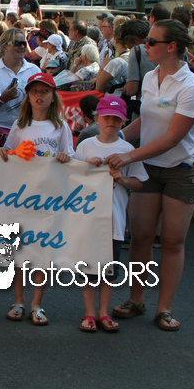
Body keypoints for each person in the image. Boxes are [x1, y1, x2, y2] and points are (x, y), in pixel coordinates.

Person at [105, 20, 194, 332]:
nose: (144, 46)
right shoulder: (150, 77)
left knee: (173, 240)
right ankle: (136, 300)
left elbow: (172, 138)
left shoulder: (191, 86)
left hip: (181, 169)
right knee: (141, 237)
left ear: (171, 46)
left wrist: (128, 155)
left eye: (151, 41)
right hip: (148, 167)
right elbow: (145, 123)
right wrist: (115, 137)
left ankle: (164, 309)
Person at [0, 72, 74, 325]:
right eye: (34, 92)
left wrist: (65, 157)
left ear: (53, 97)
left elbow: (71, 156)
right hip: (23, 198)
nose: (39, 96)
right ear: (28, 97)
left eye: (44, 91)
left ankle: (37, 303)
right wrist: (4, 152)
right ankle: (18, 300)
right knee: (21, 251)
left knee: (42, 253)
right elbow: (8, 152)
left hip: (49, 198)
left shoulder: (60, 127)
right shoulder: (20, 126)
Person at [75, 96, 147, 333]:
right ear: (97, 119)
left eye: (116, 118)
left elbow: (139, 182)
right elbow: (70, 177)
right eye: (106, 117)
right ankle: (89, 312)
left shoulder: (127, 150)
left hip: (114, 221)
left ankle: (103, 312)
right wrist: (87, 166)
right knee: (89, 271)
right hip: (88, 220)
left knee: (109, 271)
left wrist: (122, 179)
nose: (111, 122)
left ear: (123, 121)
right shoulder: (85, 146)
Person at [0, 28, 39, 148]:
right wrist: (3, 99)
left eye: (24, 43)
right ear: (4, 47)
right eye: (17, 43)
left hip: (25, 130)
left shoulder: (34, 70)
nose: (22, 47)